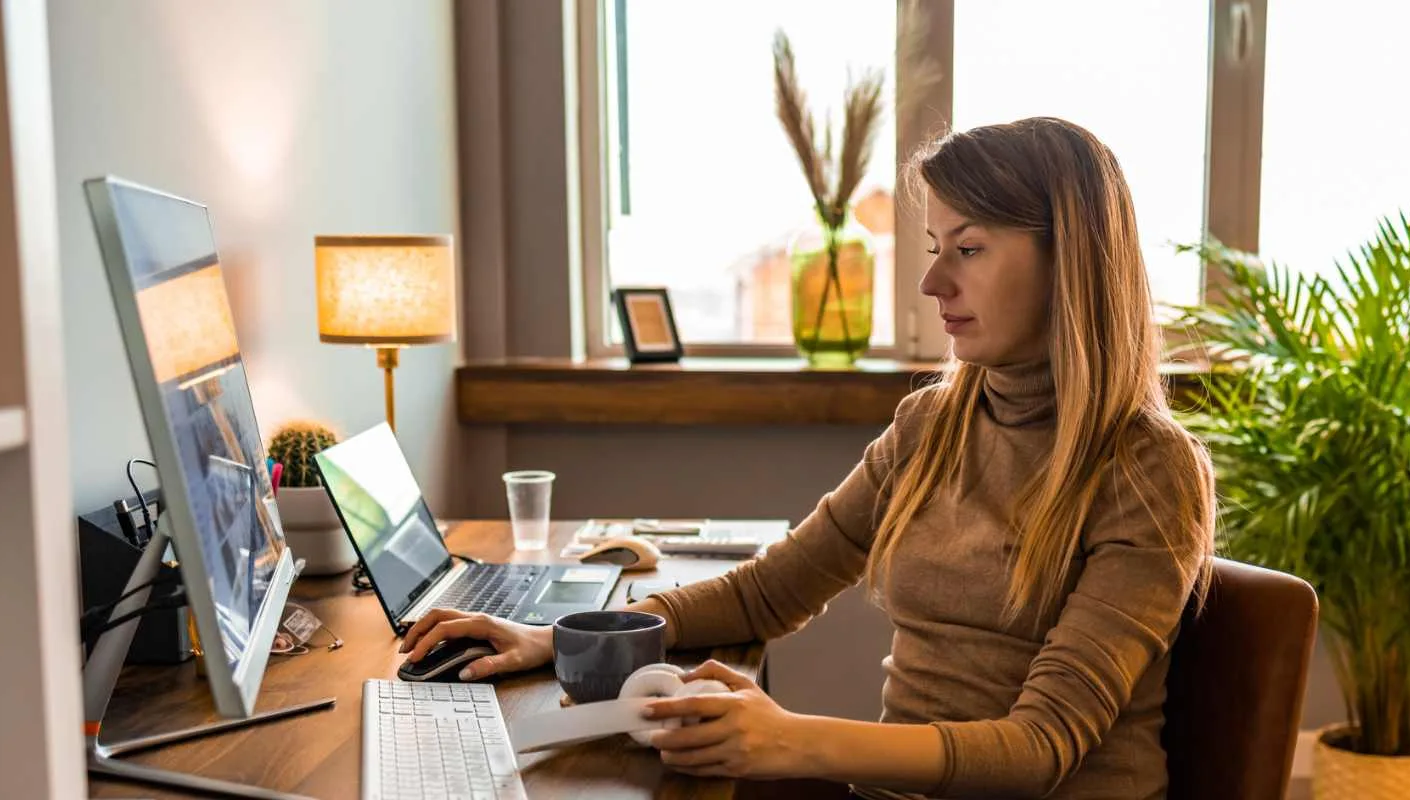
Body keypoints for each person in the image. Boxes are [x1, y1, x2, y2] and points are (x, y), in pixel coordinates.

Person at [399, 117, 1216, 799]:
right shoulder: (931, 426)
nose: (932, 282)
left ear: (1067, 260)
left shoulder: (1148, 472)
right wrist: (561, 638)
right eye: (934, 246)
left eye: (967, 249)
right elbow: (771, 590)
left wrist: (792, 742)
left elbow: (1041, 747)